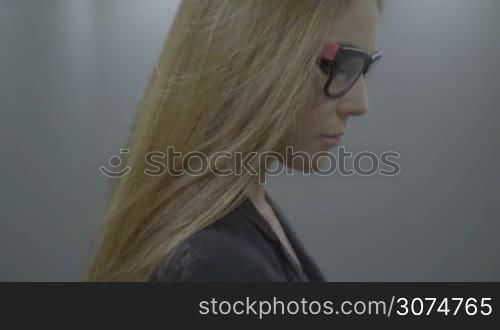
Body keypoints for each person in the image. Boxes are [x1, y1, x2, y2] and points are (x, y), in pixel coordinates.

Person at [88, 0, 384, 282]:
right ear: (251, 59)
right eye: (338, 66)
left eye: (363, 69)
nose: (360, 104)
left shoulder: (246, 211)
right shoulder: (215, 265)